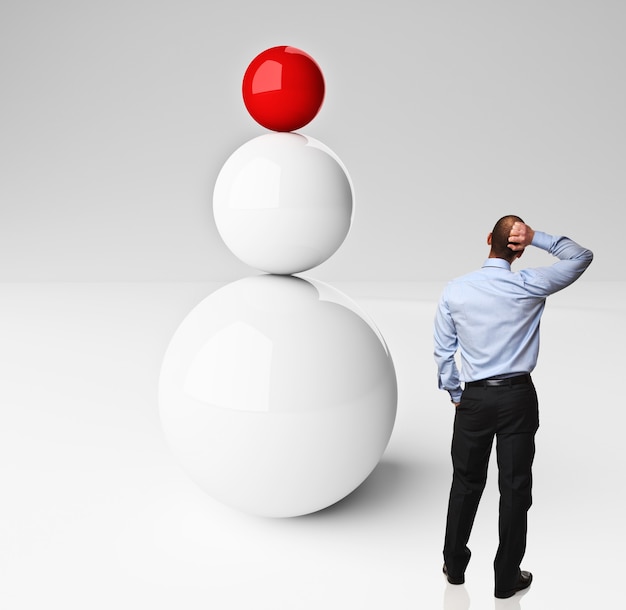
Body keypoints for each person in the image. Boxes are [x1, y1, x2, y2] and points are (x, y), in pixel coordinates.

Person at [433, 215, 593, 599]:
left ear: (489, 239)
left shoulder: (456, 289)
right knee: (515, 489)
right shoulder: (530, 283)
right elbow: (580, 256)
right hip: (518, 398)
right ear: (517, 248)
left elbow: (443, 353)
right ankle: (506, 579)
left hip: (474, 398)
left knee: (465, 484)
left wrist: (457, 393)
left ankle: (454, 566)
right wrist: (537, 237)